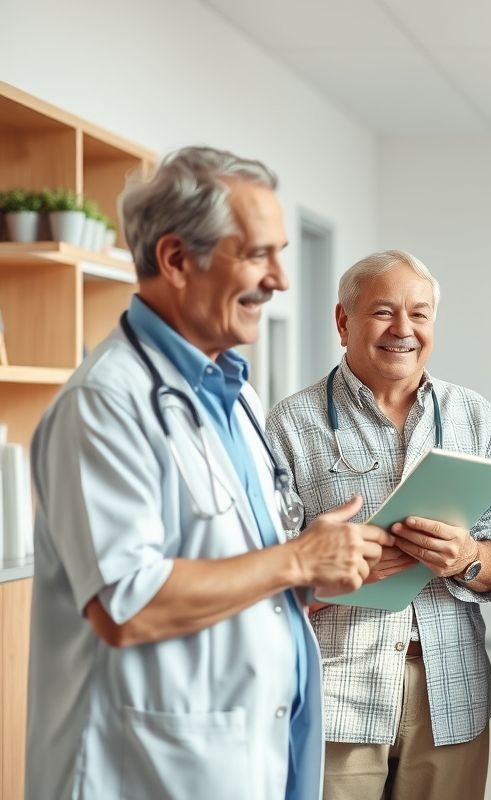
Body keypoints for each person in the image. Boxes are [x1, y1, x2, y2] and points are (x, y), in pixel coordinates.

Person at [25, 146, 391, 800]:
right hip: (145, 771)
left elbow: (234, 569)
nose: (280, 279)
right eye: (256, 254)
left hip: (247, 760)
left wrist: (323, 574)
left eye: (281, 252)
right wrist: (299, 560)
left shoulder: (234, 396)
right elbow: (124, 603)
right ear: (174, 259)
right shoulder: (105, 402)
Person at [265, 249, 491, 800]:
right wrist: (342, 574)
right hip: (339, 690)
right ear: (343, 322)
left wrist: (468, 558)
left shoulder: (475, 416)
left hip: (451, 688)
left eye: (420, 314)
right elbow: (266, 572)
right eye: (383, 312)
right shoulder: (292, 423)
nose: (403, 330)